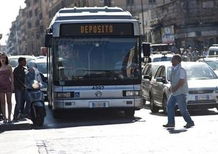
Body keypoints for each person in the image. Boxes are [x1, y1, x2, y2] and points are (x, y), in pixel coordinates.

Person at [163, 54, 195, 128]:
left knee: (182, 109)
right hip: (174, 93)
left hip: (181, 93)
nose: (171, 61)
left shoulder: (181, 70)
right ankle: (171, 123)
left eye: (173, 59)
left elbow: (182, 81)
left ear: (177, 61)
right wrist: (171, 88)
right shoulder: (173, 69)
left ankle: (190, 122)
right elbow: (173, 81)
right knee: (169, 105)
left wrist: (175, 88)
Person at [0, 53, 14, 123]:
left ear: (6, 59)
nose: (3, 59)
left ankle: (9, 117)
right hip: (0, 86)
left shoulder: (9, 66)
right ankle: (4, 117)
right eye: (2, 58)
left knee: (9, 102)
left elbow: (12, 77)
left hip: (8, 85)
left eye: (4, 58)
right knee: (2, 102)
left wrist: (12, 85)